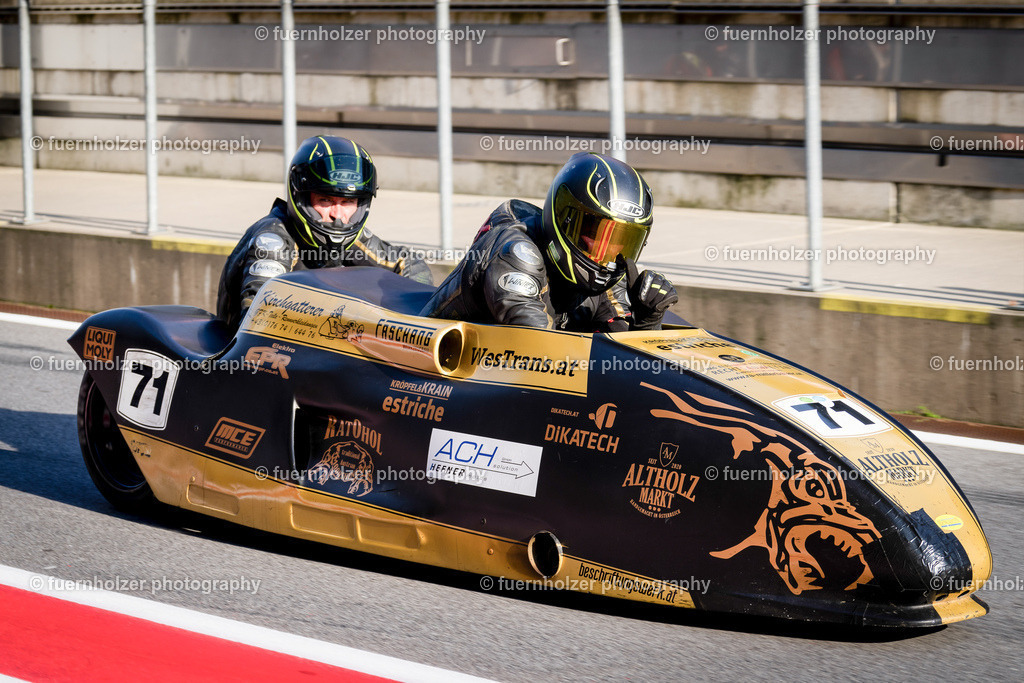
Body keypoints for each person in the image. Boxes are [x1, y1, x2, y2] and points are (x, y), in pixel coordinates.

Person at [419, 152, 678, 332]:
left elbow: (624, 361)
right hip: (431, 377)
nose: (611, 252)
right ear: (564, 219)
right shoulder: (516, 253)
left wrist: (647, 320)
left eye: (623, 242)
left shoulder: (609, 275)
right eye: (598, 236)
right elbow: (542, 352)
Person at [217, 135, 432, 330]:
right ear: (301, 197)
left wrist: (412, 321)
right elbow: (261, 318)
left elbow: (408, 261)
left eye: (348, 202)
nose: (337, 215)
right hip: (248, 361)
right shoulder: (273, 240)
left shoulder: (354, 241)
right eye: (326, 200)